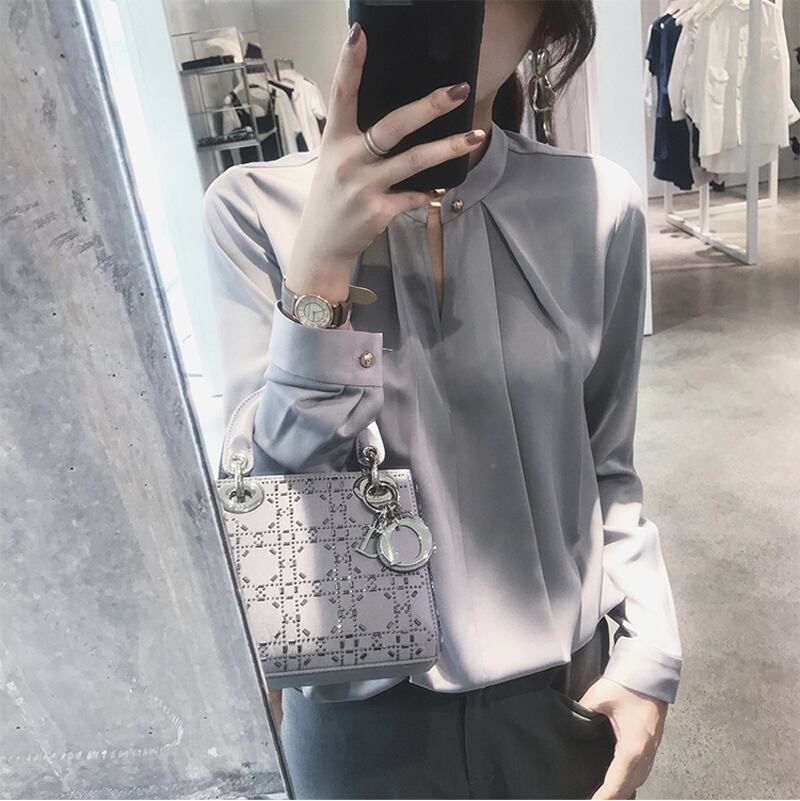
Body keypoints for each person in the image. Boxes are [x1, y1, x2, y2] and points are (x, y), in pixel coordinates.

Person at [202, 2, 683, 798]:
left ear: (547, 21)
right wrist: (319, 275)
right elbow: (270, 500)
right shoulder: (252, 209)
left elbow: (608, 466)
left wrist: (650, 655)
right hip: (357, 722)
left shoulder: (597, 204)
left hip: (557, 707)